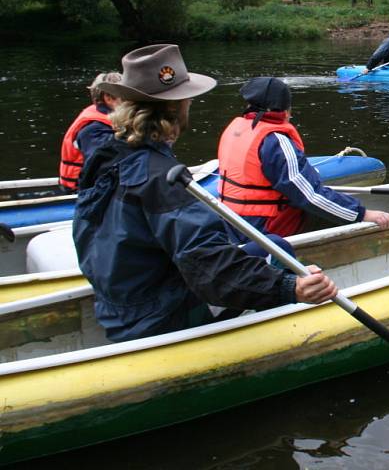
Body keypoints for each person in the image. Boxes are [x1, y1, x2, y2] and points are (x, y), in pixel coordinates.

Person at [73, 44, 338, 342]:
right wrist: (290, 287)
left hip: (115, 309)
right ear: (177, 106)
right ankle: (271, 341)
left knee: (268, 243)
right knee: (280, 255)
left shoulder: (106, 156)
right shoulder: (163, 179)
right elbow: (209, 269)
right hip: (160, 319)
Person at [217, 77, 389, 238]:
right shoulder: (276, 141)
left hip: (232, 221)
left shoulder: (236, 128)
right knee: (325, 211)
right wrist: (362, 214)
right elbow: (310, 195)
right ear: (285, 110)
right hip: (264, 227)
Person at [58, 72, 122, 191]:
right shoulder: (93, 130)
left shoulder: (104, 116)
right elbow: (100, 166)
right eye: (125, 96)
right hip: (82, 191)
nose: (131, 101)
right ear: (108, 98)